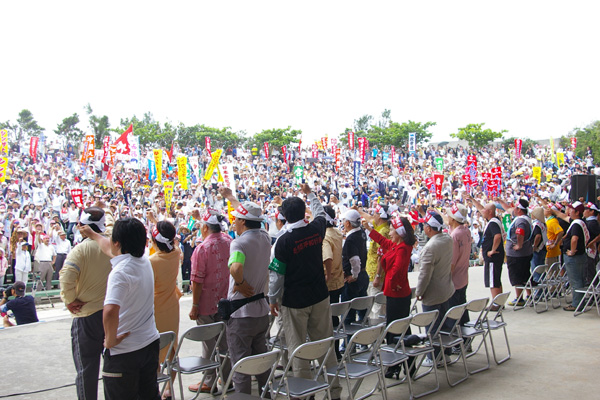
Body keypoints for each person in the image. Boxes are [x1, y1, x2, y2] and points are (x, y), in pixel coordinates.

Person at [268, 184, 342, 400]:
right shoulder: (317, 228)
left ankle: (304, 394)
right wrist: (310, 193)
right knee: (326, 345)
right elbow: (320, 212)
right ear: (303, 212)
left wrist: (272, 298)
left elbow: (276, 276)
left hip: (295, 302)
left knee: (298, 350)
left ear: (284, 216)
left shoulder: (283, 241)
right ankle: (335, 392)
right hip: (320, 296)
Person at [81, 217, 161, 400]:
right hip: (149, 343)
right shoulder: (144, 262)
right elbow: (108, 248)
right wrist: (93, 235)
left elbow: (110, 311)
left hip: (124, 352)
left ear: (117, 243)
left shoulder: (120, 272)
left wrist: (110, 340)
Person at [219, 187, 271, 395]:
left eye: (236, 219)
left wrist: (239, 282)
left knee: (241, 367)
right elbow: (248, 213)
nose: (233, 221)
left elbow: (236, 267)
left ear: (242, 221)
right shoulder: (265, 237)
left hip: (241, 315)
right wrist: (231, 198)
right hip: (261, 312)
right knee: (260, 362)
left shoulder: (238, 243)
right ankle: (266, 395)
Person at [59, 207, 113, 400]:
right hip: (112, 312)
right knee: (113, 366)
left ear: (83, 226)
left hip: (87, 314)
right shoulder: (113, 244)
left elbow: (66, 277)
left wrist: (69, 300)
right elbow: (110, 223)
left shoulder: (80, 250)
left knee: (87, 369)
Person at [361, 214, 415, 378]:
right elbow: (383, 242)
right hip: (398, 293)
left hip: (396, 295)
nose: (389, 233)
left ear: (399, 233)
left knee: (394, 330)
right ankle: (408, 365)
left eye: (392, 230)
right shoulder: (398, 246)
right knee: (402, 328)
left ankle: (395, 365)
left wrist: (390, 284)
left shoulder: (402, 249)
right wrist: (369, 230)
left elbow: (397, 269)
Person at [188, 209, 233, 394]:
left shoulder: (202, 248)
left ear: (205, 228)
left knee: (208, 343)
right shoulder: (229, 241)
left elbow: (197, 280)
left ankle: (209, 381)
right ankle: (228, 378)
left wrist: (195, 305)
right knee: (224, 342)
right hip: (226, 302)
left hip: (207, 304)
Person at [415, 210, 454, 366]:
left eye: (425, 225)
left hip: (432, 294)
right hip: (446, 288)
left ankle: (434, 357)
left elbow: (424, 275)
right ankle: (446, 354)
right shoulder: (447, 239)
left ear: (429, 228)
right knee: (444, 324)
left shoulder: (430, 247)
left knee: (433, 327)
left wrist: (419, 292)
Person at [148, 220, 182, 399]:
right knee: (171, 348)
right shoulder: (176, 253)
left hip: (155, 308)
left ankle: (154, 387)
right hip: (172, 306)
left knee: (154, 349)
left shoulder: (151, 261)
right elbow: (168, 240)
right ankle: (169, 388)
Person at [468, 195, 504, 306]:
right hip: (496, 256)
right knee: (496, 279)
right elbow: (481, 208)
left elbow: (497, 236)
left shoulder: (493, 223)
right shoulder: (494, 220)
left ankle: (496, 304)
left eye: (484, 210)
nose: (482, 211)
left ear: (489, 212)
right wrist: (473, 200)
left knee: (493, 281)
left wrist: (492, 250)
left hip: (493, 256)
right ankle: (499, 302)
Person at [498, 198, 534, 307]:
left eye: (515, 208)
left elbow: (520, 232)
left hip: (518, 255)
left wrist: (519, 244)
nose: (513, 209)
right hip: (524, 253)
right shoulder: (525, 218)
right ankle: (529, 295)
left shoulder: (520, 221)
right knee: (525, 275)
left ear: (519, 210)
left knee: (517, 277)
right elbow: (508, 209)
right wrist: (500, 201)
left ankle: (519, 298)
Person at [340, 209, 369, 329]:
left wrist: (354, 275)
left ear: (348, 223)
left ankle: (349, 340)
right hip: (363, 275)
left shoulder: (351, 239)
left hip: (354, 280)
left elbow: (355, 260)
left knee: (348, 315)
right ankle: (363, 338)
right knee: (362, 311)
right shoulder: (361, 233)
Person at [445, 204, 472, 326]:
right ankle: (465, 336)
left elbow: (452, 263)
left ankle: (456, 336)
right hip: (463, 278)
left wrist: (446, 282)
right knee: (462, 312)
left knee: (453, 316)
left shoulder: (455, 236)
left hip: (454, 281)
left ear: (453, 219)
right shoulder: (466, 231)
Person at [559, 202, 589, 312]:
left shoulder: (576, 224)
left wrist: (572, 251)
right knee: (580, 280)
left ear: (577, 212)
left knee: (575, 281)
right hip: (580, 256)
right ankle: (580, 301)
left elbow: (574, 239)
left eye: (571, 210)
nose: (569, 211)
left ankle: (577, 304)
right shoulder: (580, 222)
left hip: (574, 257)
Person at [364, 204, 391, 318]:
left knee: (376, 306)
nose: (373, 215)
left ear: (379, 216)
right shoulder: (381, 227)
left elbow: (381, 256)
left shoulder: (383, 232)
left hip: (376, 273)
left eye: (375, 213)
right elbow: (369, 218)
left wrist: (378, 275)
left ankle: (376, 327)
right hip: (374, 272)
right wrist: (358, 210)